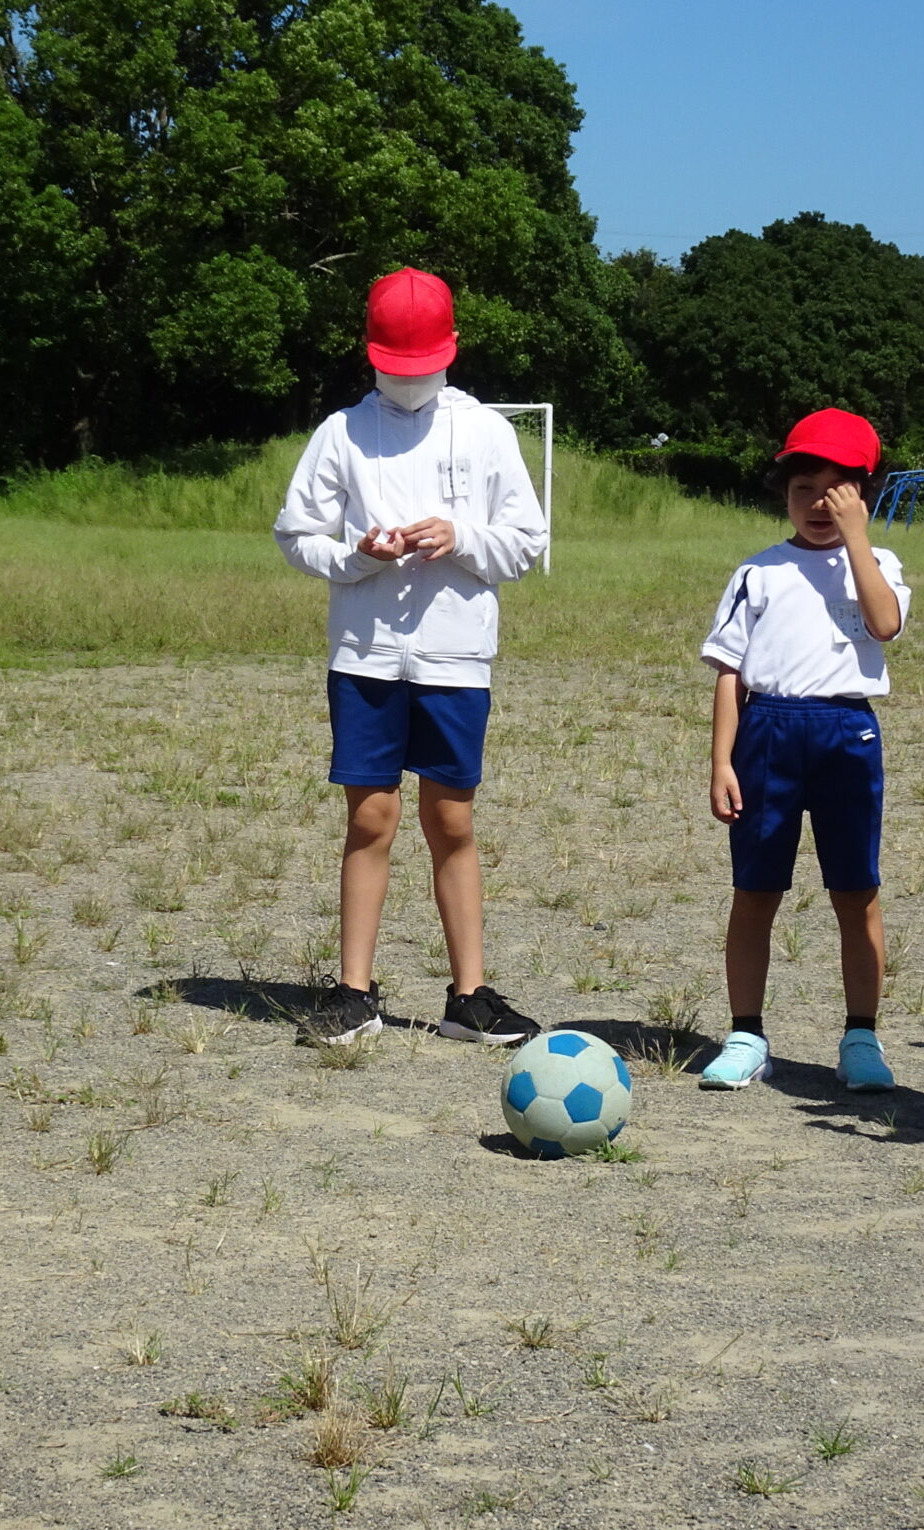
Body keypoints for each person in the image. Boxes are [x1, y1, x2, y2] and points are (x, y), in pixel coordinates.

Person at [273, 267, 550, 1048]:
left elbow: (525, 544)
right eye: (395, 368)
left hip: (455, 658)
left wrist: (460, 537)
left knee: (451, 818)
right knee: (371, 816)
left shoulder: (487, 432)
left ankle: (470, 996)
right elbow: (296, 535)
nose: (409, 381)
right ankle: (354, 993)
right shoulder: (342, 433)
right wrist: (359, 557)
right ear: (371, 356)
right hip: (364, 657)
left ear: (451, 352)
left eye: (422, 367)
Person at [695, 409, 909, 1094]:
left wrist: (857, 539)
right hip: (769, 733)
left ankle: (861, 1037)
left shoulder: (878, 565)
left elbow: (885, 623)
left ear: (864, 494)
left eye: (835, 491)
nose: (818, 505)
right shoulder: (758, 571)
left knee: (857, 891)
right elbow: (731, 672)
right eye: (803, 489)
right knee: (755, 889)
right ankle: (746, 1034)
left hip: (846, 732)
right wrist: (721, 761)